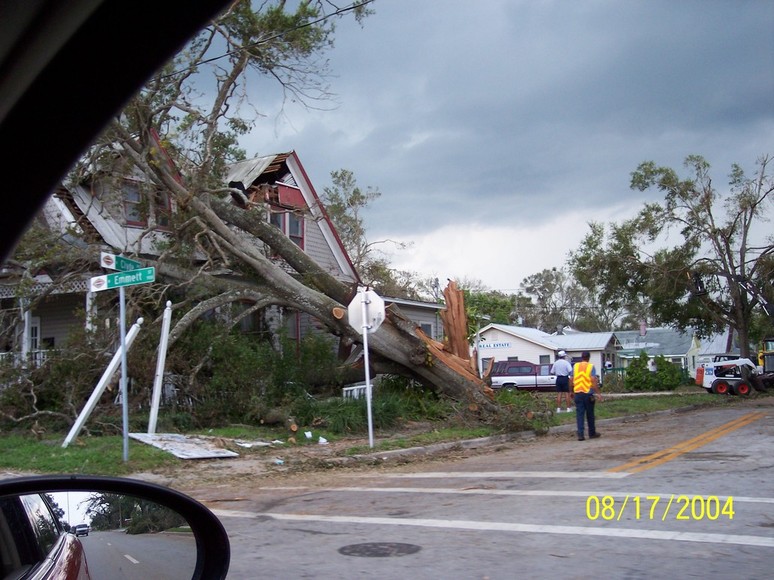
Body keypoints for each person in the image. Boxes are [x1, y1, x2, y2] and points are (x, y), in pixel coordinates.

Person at [570, 350, 603, 441]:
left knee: (580, 415)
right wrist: (598, 393)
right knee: (590, 414)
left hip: (578, 393)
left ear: (582, 357)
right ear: (588, 357)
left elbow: (571, 379)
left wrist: (571, 391)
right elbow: (593, 380)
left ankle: (580, 435)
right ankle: (591, 433)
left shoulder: (575, 366)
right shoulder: (591, 367)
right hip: (588, 394)